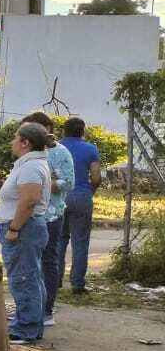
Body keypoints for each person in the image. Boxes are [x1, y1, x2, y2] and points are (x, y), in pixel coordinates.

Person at [0, 122, 53, 343]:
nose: (12, 142)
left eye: (15, 138)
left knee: (23, 279)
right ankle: (31, 326)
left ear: (25, 143)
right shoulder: (29, 164)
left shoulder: (31, 166)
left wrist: (14, 228)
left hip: (23, 229)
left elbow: (29, 200)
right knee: (31, 277)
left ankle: (25, 329)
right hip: (26, 228)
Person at [23, 111, 74, 324]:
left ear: (48, 129)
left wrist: (46, 185)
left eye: (33, 128)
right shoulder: (26, 151)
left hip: (51, 215)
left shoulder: (60, 152)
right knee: (27, 263)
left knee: (47, 261)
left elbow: (68, 182)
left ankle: (46, 310)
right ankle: (28, 308)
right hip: (27, 215)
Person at [57, 116, 102, 296]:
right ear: (83, 131)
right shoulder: (90, 149)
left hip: (59, 196)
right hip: (82, 196)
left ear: (63, 131)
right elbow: (96, 178)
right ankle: (77, 284)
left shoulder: (55, 147)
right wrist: (89, 191)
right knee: (80, 242)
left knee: (59, 240)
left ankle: (55, 280)